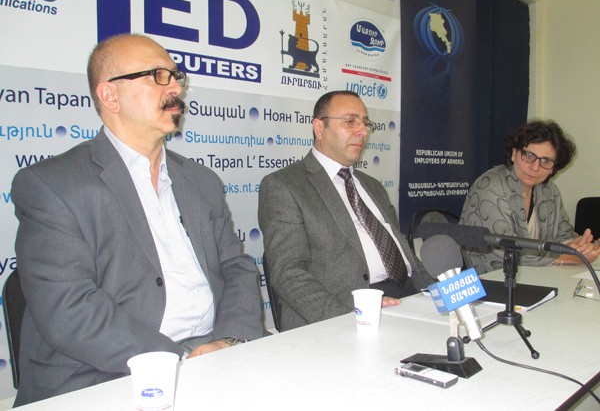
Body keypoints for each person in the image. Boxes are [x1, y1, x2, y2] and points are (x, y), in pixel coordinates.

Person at [11, 34, 263, 406]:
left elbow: (236, 268)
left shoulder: (201, 180)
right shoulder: (52, 185)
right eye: (158, 75)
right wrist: (181, 362)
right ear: (110, 96)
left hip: (213, 353)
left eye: (175, 76)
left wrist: (229, 342)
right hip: (102, 375)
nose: (175, 87)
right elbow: (68, 308)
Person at [258, 90, 435, 331]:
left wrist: (438, 292)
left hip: (411, 299)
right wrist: (350, 315)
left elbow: (402, 252)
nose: (363, 132)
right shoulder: (285, 185)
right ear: (319, 128)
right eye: (350, 121)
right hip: (347, 311)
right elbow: (287, 272)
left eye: (365, 123)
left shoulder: (373, 186)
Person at [460, 119, 600, 274]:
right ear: (514, 154)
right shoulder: (490, 187)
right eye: (529, 155)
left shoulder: (549, 190)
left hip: (537, 275)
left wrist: (580, 245)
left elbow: (563, 234)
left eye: (546, 161)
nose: (535, 167)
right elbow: (505, 248)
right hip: (491, 278)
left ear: (553, 168)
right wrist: (569, 257)